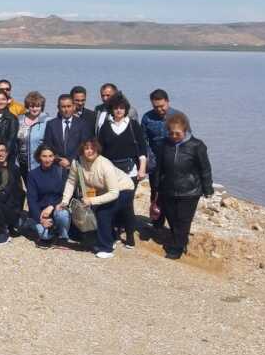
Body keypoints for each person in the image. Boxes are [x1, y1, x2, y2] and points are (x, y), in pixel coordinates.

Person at [152, 112, 213, 260]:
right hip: (168, 189)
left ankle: (177, 248)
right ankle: (180, 240)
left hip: (190, 190)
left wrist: (208, 189)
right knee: (172, 218)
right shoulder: (164, 144)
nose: (173, 136)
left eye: (177, 133)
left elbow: (205, 168)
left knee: (183, 220)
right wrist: (156, 186)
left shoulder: (197, 145)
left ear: (185, 130)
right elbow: (159, 168)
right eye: (171, 133)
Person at [60, 139, 135, 259]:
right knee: (94, 211)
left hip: (124, 189)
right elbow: (71, 182)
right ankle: (111, 238)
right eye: (86, 148)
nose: (89, 151)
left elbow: (114, 193)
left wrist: (92, 201)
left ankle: (106, 247)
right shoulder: (77, 163)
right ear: (82, 150)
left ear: (97, 150)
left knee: (103, 212)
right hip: (104, 191)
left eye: (92, 148)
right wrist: (65, 201)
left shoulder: (105, 165)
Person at [97, 92, 148, 248]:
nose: (119, 111)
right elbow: (101, 151)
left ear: (126, 109)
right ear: (111, 110)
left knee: (127, 204)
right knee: (111, 202)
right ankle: (113, 233)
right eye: (116, 108)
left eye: (121, 108)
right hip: (111, 170)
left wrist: (142, 170)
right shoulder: (106, 126)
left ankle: (130, 235)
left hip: (130, 171)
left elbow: (142, 150)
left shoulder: (133, 125)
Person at [140, 88, 181, 225]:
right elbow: (143, 140)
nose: (159, 110)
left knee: (174, 193)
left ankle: (174, 223)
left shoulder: (178, 117)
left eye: (162, 106)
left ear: (168, 102)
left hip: (174, 161)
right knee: (156, 191)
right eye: (155, 107)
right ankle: (157, 222)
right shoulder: (147, 117)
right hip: (155, 162)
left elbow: (187, 140)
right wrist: (146, 161)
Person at [24, 144, 71, 248]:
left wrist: (51, 206)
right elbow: (31, 200)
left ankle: (62, 237)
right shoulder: (33, 175)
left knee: (62, 215)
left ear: (54, 157)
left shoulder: (60, 171)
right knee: (44, 236)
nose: (47, 159)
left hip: (56, 207)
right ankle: (33, 224)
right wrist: (40, 219)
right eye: (44, 156)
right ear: (39, 157)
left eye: (50, 156)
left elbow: (63, 194)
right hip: (41, 212)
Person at [42, 94, 93, 172]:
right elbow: (47, 145)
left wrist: (70, 160)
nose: (66, 109)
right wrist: (58, 160)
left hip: (77, 166)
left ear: (74, 107)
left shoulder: (82, 124)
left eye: (69, 106)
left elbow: (84, 145)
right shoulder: (51, 124)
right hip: (56, 166)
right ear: (58, 108)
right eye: (63, 107)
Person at [16, 91, 49, 178]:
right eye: (32, 106)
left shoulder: (47, 121)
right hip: (22, 162)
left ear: (42, 107)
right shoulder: (19, 120)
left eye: (38, 106)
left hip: (39, 162)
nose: (34, 109)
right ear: (27, 106)